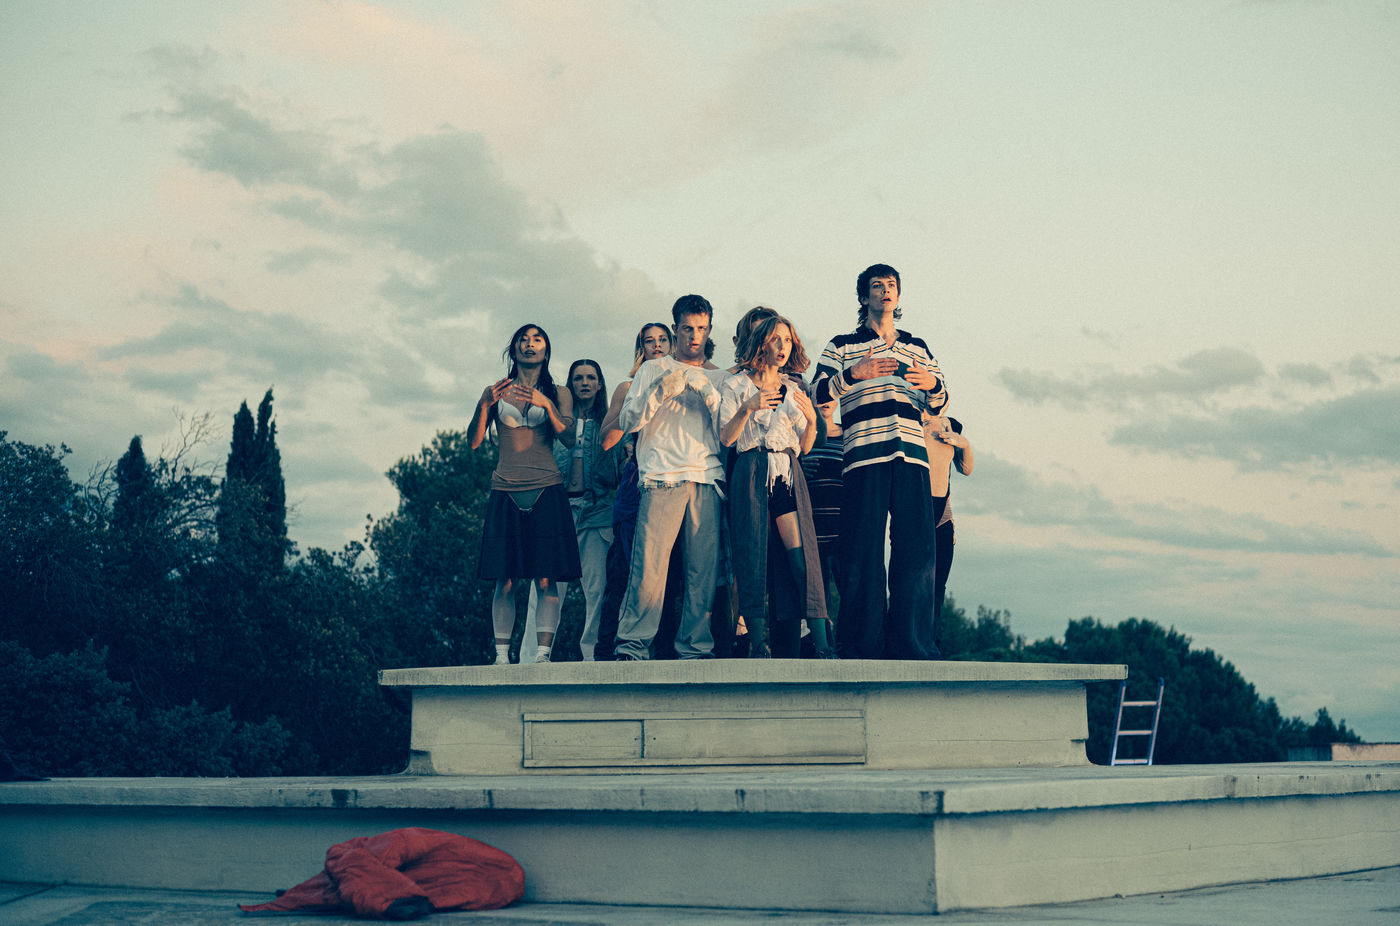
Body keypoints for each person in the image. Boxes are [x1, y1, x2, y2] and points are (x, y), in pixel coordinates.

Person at [812, 264, 948, 660]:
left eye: (891, 285)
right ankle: (861, 645)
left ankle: (913, 645)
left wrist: (933, 386)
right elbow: (816, 393)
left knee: (916, 552)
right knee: (862, 551)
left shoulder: (918, 347)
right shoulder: (841, 345)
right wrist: (853, 374)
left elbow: (940, 404)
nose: (885, 291)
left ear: (898, 296)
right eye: (877, 285)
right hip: (863, 456)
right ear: (864, 297)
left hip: (912, 456)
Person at [613, 295, 727, 660]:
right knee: (648, 571)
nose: (694, 336)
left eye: (701, 329)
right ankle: (632, 645)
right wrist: (659, 390)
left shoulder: (722, 376)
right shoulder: (652, 368)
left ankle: (695, 648)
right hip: (661, 476)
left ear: (709, 330)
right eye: (688, 328)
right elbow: (628, 422)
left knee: (702, 573)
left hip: (706, 478)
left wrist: (710, 396)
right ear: (675, 328)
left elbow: (730, 435)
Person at [720, 313, 832, 658]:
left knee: (802, 559)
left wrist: (812, 420)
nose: (783, 346)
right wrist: (747, 408)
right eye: (775, 339)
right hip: (750, 469)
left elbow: (806, 446)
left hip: (786, 471)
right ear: (761, 343)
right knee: (751, 555)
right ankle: (757, 643)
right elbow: (726, 438)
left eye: (787, 340)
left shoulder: (794, 390)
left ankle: (822, 644)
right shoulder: (735, 386)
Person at [469, 323, 580, 665]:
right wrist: (484, 405)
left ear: (546, 350)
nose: (530, 344)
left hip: (547, 489)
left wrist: (547, 405)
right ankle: (501, 656)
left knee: (546, 578)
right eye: (523, 339)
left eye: (537, 339)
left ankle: (543, 655)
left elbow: (569, 438)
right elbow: (474, 442)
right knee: (504, 579)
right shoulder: (496, 390)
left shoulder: (559, 392)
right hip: (505, 489)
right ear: (514, 348)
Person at [551, 359, 621, 661]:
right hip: (559, 511)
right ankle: (535, 654)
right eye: (578, 378)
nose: (584, 383)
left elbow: (618, 471)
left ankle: (592, 655)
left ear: (599, 384)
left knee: (597, 589)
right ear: (571, 384)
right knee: (547, 588)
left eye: (591, 377)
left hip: (596, 510)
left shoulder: (609, 422)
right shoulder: (557, 423)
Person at [922, 413, 973, 629]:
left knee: (937, 588)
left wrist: (965, 444)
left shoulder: (951, 424)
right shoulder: (908, 418)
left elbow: (966, 469)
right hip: (914, 513)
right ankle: (904, 642)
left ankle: (932, 643)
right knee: (911, 585)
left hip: (943, 517)